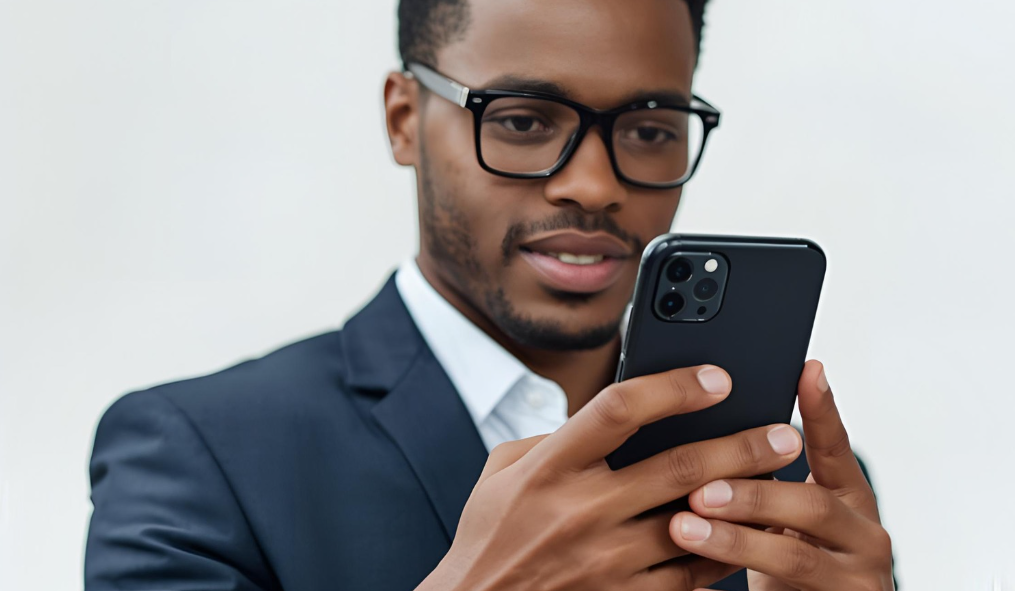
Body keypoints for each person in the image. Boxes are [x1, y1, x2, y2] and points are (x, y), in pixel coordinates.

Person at [84, 0, 895, 589]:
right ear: (404, 120)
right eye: (522, 120)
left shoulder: (789, 492)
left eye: (650, 130)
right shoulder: (198, 458)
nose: (592, 182)